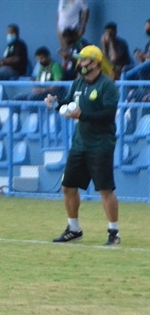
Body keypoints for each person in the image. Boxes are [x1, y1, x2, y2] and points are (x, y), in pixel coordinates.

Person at [44, 45, 121, 246]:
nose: (80, 64)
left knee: (105, 190)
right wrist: (55, 103)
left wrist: (82, 115)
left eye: (84, 60)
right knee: (68, 186)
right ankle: (74, 229)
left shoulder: (107, 85)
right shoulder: (78, 83)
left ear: (95, 62)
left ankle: (114, 232)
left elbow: (109, 115)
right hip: (79, 144)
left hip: (100, 145)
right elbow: (68, 104)